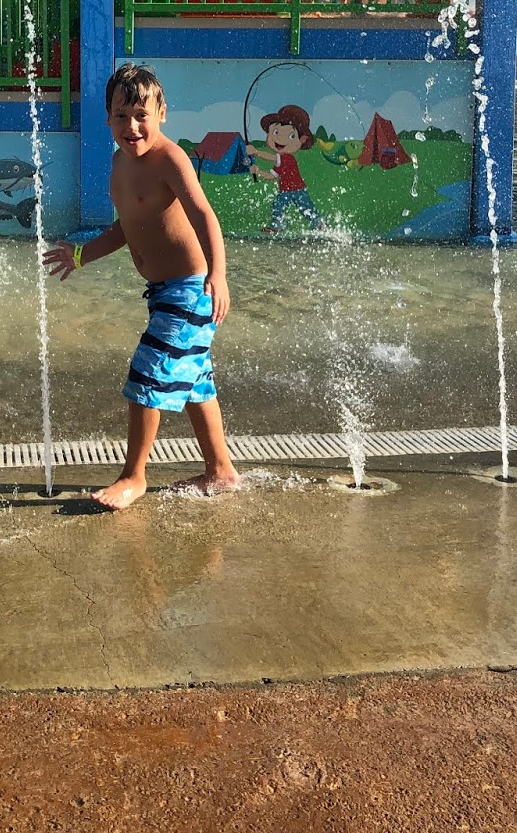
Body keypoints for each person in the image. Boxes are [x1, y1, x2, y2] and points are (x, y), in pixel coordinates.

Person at [43, 64, 240, 511]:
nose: (131, 127)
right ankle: (220, 471)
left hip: (191, 289)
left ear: (161, 113)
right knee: (195, 382)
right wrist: (81, 254)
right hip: (163, 293)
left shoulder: (170, 159)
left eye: (141, 115)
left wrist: (219, 274)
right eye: (121, 116)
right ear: (108, 118)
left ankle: (134, 476)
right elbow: (125, 227)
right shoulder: (120, 164)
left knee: (146, 373)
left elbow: (204, 215)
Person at [245, 104, 326, 232]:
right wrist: (258, 171)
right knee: (277, 206)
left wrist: (256, 152)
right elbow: (272, 176)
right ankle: (278, 226)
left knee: (306, 208)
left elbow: (271, 157)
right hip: (285, 191)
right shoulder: (280, 161)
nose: (280, 139)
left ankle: (319, 224)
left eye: (291, 136)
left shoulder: (286, 158)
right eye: (276, 132)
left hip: (298, 190)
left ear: (302, 140)